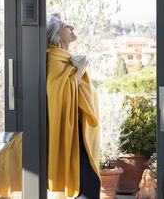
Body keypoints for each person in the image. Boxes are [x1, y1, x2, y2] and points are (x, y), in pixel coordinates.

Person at [46, 13, 100, 199]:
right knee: (90, 185)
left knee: (88, 185)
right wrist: (81, 70)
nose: (72, 28)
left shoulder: (65, 58)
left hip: (77, 127)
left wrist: (78, 69)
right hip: (68, 129)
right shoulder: (53, 59)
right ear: (56, 34)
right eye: (65, 26)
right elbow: (58, 94)